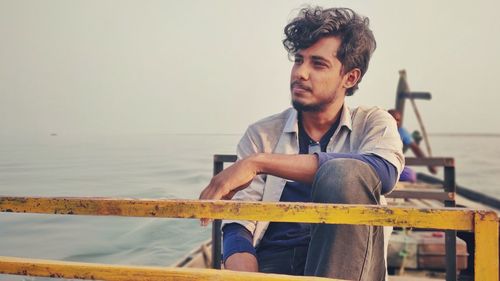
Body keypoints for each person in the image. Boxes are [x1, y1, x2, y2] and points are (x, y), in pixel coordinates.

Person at [199, 6, 404, 281]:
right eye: (298, 60)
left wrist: (259, 163)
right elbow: (239, 222)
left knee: (344, 173)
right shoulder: (262, 133)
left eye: (318, 64)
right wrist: (245, 271)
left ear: (350, 77)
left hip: (349, 266)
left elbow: (384, 171)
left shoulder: (373, 122)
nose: (301, 73)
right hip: (274, 265)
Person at [388, 109, 437, 182]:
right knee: (411, 175)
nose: (395, 122)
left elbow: (416, 149)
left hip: (393, 166)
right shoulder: (379, 130)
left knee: (411, 175)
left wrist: (429, 165)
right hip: (384, 165)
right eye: (392, 119)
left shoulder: (401, 132)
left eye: (397, 120)